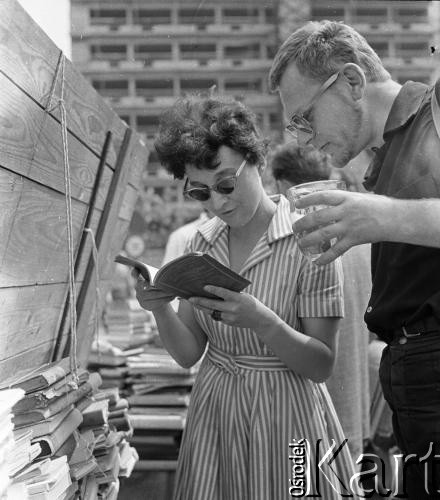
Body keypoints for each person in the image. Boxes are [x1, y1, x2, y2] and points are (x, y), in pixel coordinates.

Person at [269, 20, 440, 499]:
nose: (304, 138)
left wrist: (383, 217)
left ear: (351, 82)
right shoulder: (381, 165)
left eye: (306, 117)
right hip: (423, 387)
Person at [133, 95, 354, 499]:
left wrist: (261, 319)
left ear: (257, 161)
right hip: (216, 413)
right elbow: (187, 354)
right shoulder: (201, 243)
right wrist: (160, 307)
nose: (218, 203)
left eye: (227, 184)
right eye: (200, 192)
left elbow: (321, 364)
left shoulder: (310, 242)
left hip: (288, 415)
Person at [270, 142, 372, 463]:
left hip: (307, 414)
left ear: (283, 187)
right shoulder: (361, 239)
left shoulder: (301, 246)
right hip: (353, 403)